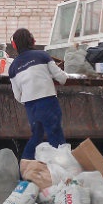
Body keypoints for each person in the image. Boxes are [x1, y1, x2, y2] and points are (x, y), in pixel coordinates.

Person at [8, 28, 69, 160]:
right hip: (47, 101)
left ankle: (24, 169)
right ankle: (63, 169)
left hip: (30, 107)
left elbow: (17, 96)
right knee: (55, 135)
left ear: (15, 46)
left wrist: (30, 99)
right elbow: (62, 78)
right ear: (32, 41)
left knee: (36, 136)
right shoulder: (42, 55)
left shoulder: (12, 67)